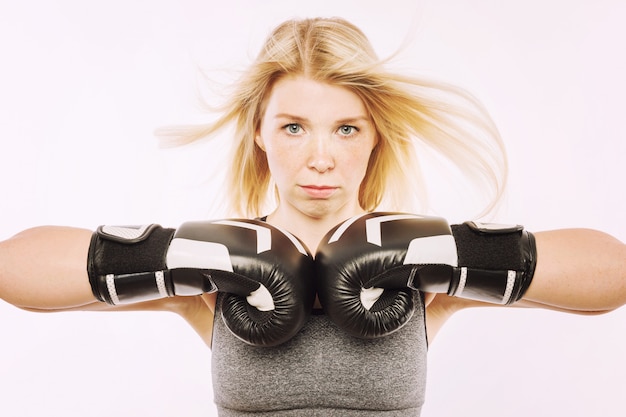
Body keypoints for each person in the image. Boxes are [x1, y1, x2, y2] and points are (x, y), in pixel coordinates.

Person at [0, 16, 625, 416]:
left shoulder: (421, 270)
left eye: (346, 128)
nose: (320, 157)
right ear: (260, 135)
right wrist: (176, 255)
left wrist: (453, 250)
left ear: (375, 137)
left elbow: (612, 279)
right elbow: (13, 272)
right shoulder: (215, 273)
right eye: (294, 126)